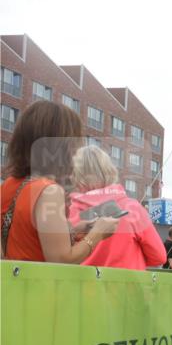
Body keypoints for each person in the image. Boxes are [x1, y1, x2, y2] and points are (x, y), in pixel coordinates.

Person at [1, 100, 118, 262]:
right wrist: (97, 234)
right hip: (39, 285)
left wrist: (74, 231)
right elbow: (60, 259)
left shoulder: (9, 184)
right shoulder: (49, 191)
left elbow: (26, 237)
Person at [67, 145, 166, 270]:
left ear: (75, 176)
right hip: (127, 286)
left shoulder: (68, 214)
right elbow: (159, 256)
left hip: (82, 287)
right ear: (110, 170)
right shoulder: (132, 208)